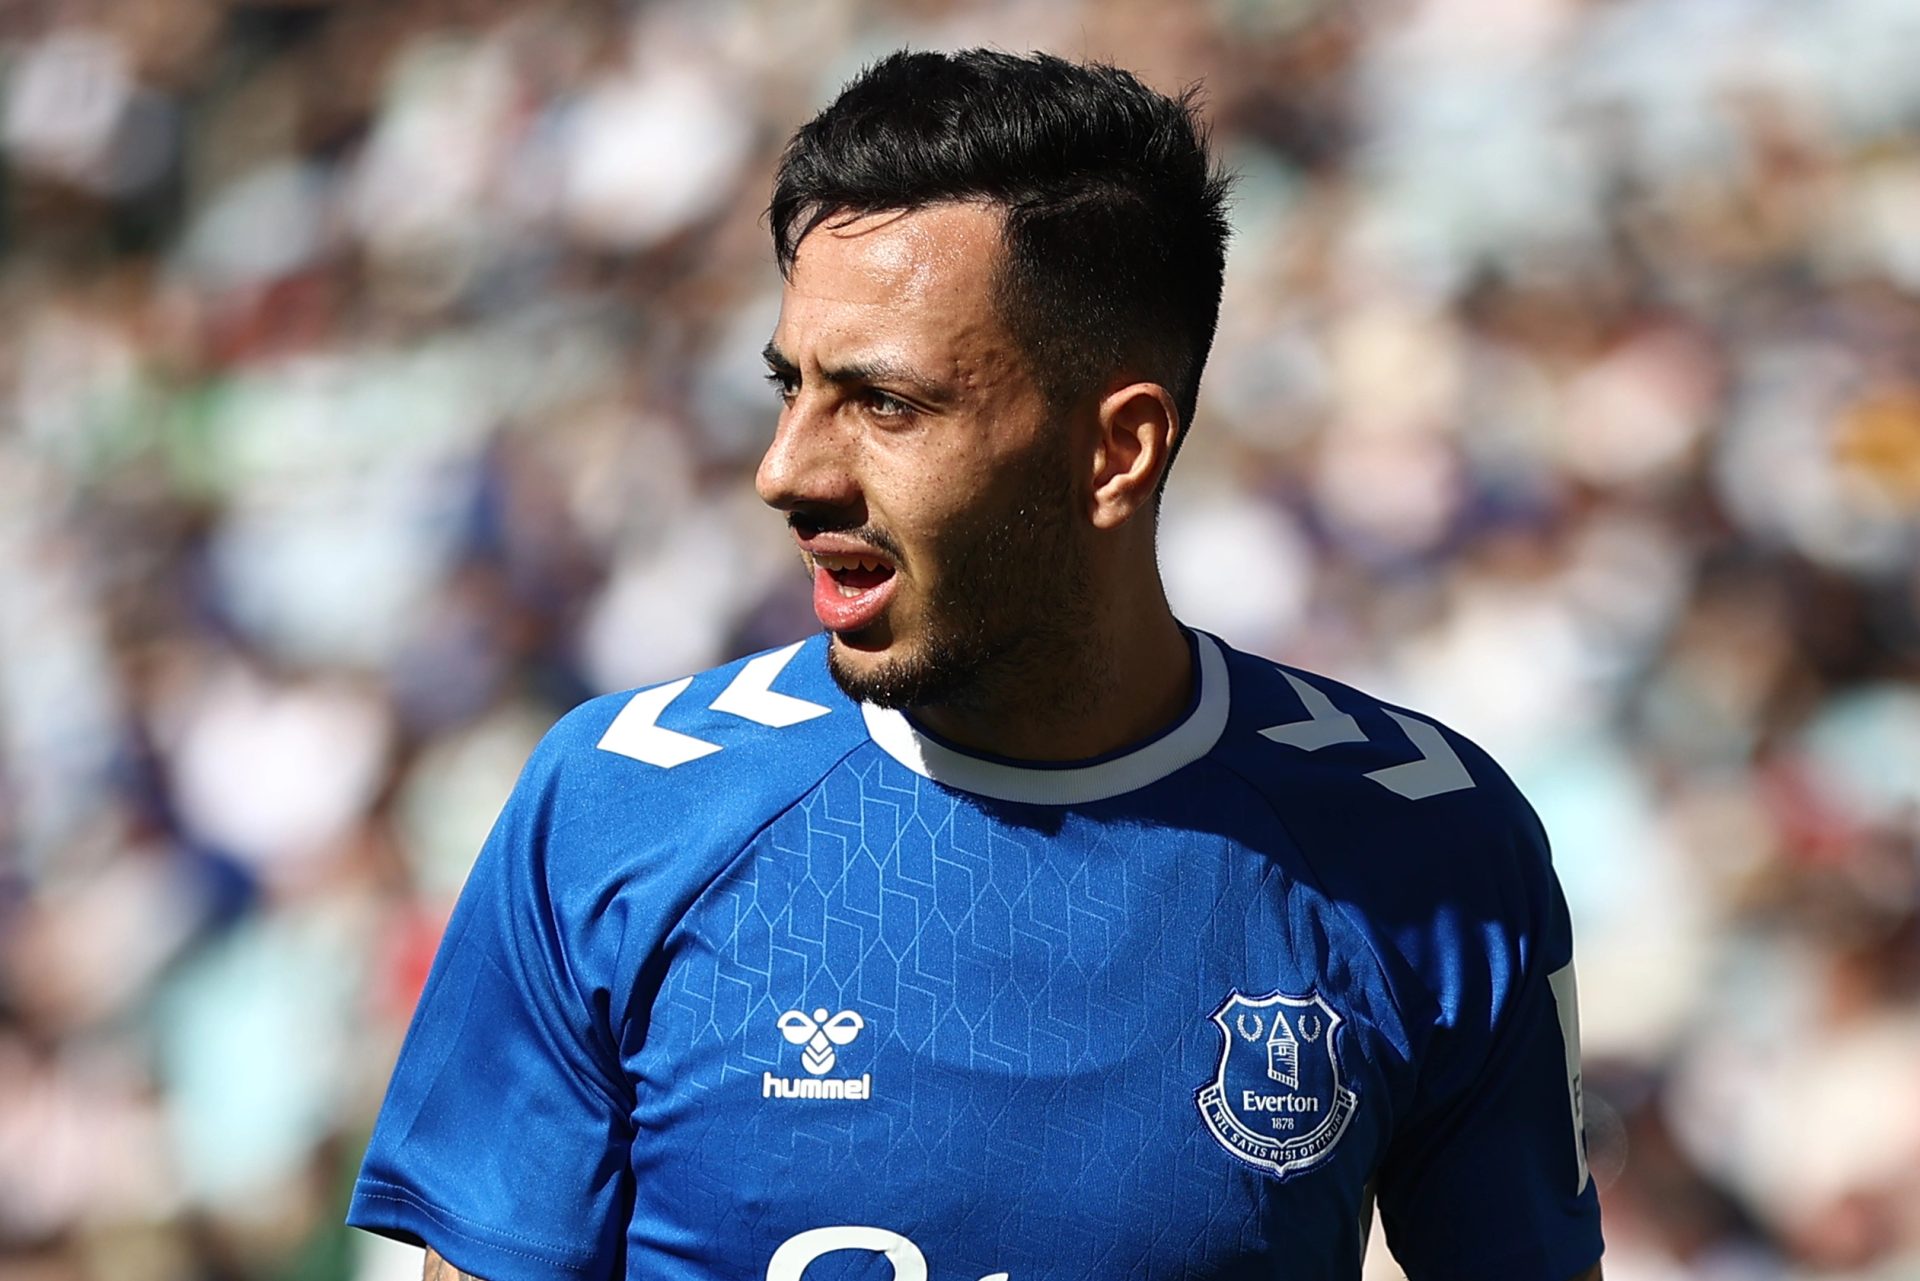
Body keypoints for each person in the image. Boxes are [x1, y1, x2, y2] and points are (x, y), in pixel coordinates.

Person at [347, 49, 1604, 1281]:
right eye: (792, 387)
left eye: (885, 405)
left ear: (1118, 452)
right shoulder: (618, 805)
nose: (788, 471)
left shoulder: (1427, 844)